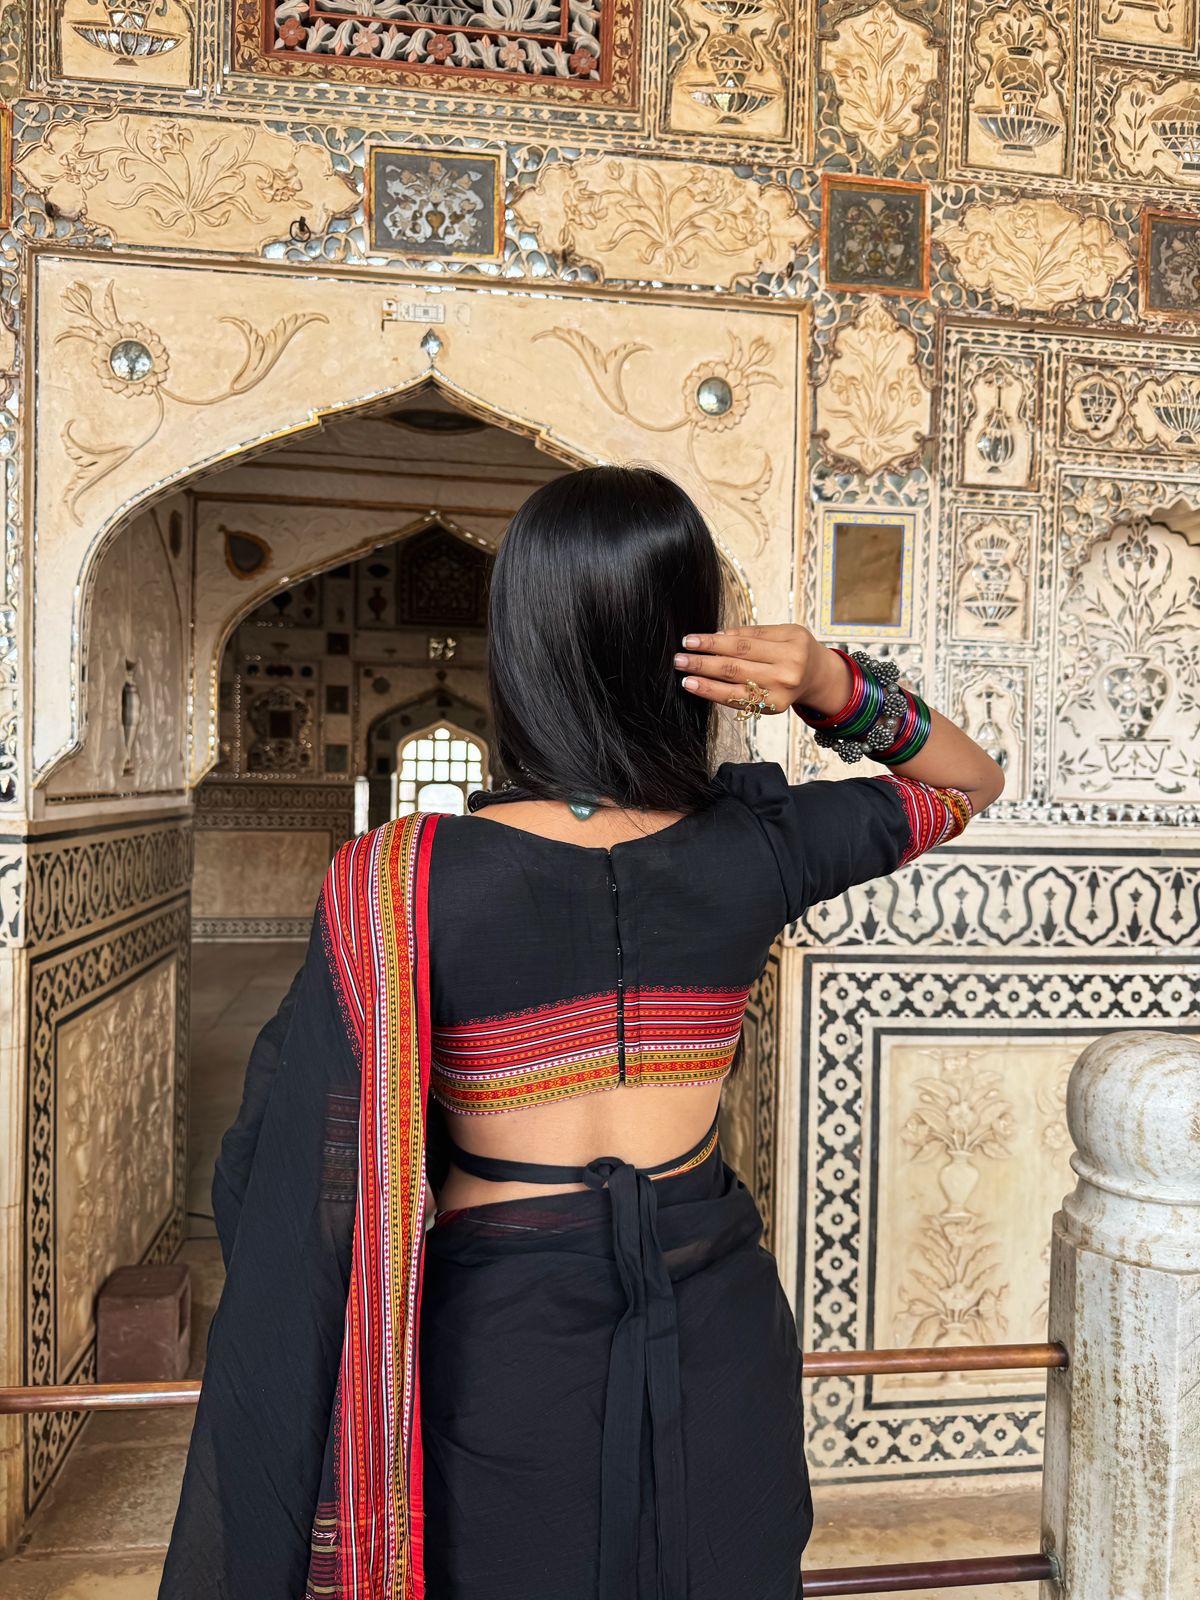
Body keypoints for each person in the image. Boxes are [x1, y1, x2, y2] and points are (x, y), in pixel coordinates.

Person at [160, 465, 1004, 1600]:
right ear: (696, 646)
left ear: (520, 648)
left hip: (501, 1344)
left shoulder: (402, 878)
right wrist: (828, 682)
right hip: (715, 1319)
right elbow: (968, 781)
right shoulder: (759, 844)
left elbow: (281, 1163)